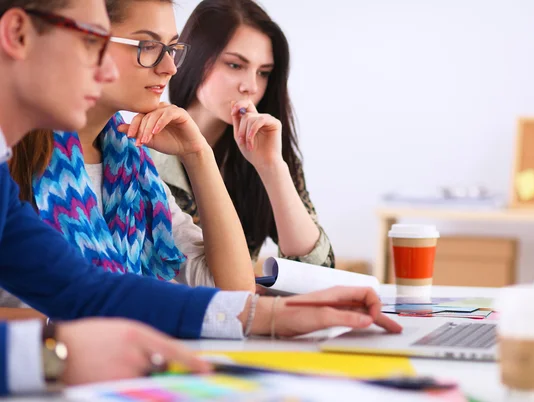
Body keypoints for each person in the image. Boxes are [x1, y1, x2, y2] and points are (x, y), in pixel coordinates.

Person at [0, 1, 400, 393]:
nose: (103, 67)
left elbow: (88, 291)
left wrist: (274, 314)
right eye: (92, 42)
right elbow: (77, 305)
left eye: (170, 48)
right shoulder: (26, 166)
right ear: (17, 35)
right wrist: (56, 353)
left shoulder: (127, 163)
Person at [9, 0, 255, 291]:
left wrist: (198, 156)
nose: (169, 69)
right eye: (147, 45)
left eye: (172, 49)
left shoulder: (131, 169)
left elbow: (235, 293)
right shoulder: (12, 153)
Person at [154, 0, 335, 268]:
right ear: (194, 57)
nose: (250, 86)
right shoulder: (144, 146)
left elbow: (316, 271)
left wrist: (272, 167)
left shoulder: (267, 150)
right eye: (235, 65)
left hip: (237, 308)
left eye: (263, 73)